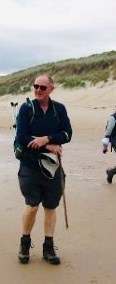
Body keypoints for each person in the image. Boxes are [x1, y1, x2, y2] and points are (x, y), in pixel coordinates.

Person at [16, 74, 72, 265]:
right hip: (30, 165)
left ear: (51, 89)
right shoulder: (26, 108)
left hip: (53, 167)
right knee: (32, 206)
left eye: (43, 87)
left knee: (50, 206)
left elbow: (67, 134)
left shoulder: (59, 109)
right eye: (35, 86)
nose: (38, 90)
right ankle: (25, 243)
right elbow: (21, 137)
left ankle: (48, 248)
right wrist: (48, 145)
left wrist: (46, 138)